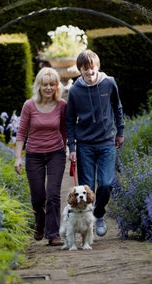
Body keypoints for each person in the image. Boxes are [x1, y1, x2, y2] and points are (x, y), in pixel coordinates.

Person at [65, 49, 125, 237]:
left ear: (97, 67)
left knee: (106, 184)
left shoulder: (109, 83)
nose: (90, 73)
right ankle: (87, 224)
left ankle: (99, 214)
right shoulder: (75, 91)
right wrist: (72, 148)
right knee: (87, 185)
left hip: (107, 142)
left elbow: (118, 107)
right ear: (80, 71)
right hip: (85, 146)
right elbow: (70, 121)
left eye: (92, 69)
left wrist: (120, 131)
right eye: (85, 70)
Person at [14, 67, 67, 246]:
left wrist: (69, 150)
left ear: (57, 86)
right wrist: (18, 158)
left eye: (52, 84)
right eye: (45, 84)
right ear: (39, 86)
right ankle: (40, 221)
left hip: (56, 154)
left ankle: (53, 234)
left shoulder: (62, 106)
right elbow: (21, 133)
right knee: (38, 197)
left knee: (53, 194)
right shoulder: (29, 105)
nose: (48, 88)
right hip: (34, 154)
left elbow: (65, 131)